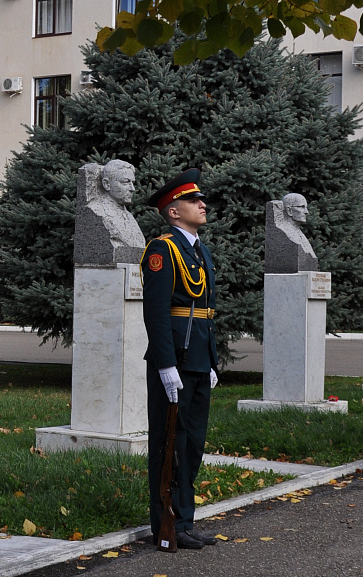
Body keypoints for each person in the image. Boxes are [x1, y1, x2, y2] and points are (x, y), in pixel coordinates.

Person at [141, 168, 218, 550]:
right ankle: (166, 525)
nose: (202, 205)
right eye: (193, 201)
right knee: (169, 443)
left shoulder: (199, 249)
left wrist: (212, 361)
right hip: (175, 360)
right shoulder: (162, 250)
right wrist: (165, 364)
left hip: (199, 358)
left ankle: (185, 520)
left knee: (192, 444)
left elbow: (207, 310)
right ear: (173, 211)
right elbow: (156, 313)